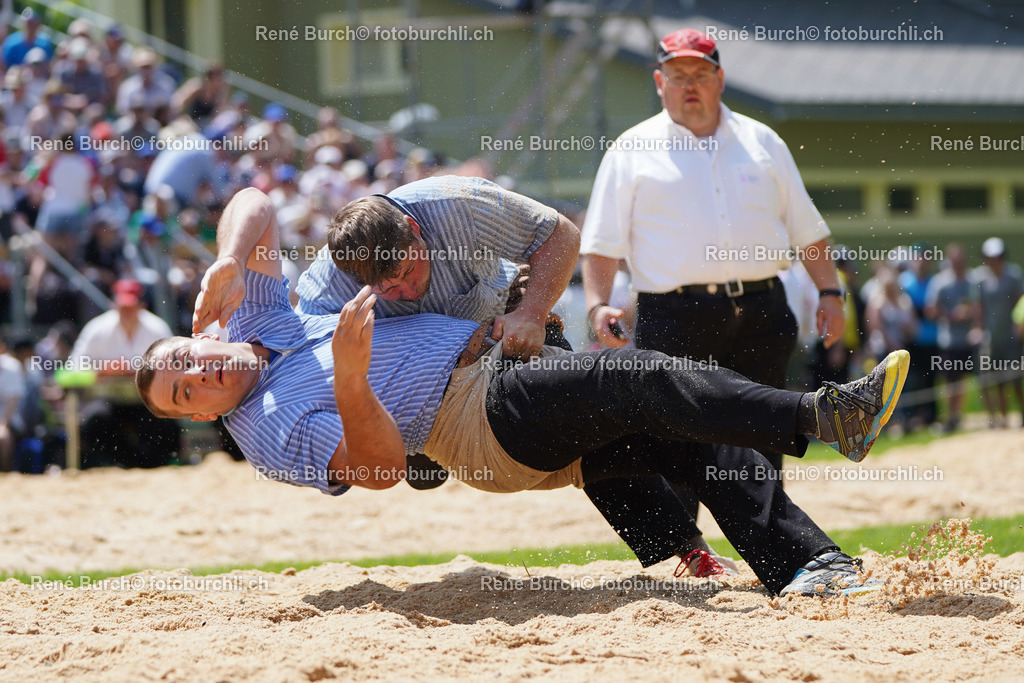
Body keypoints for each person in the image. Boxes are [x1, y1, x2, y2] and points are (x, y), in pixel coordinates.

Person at [137, 190, 911, 597]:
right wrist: (347, 378)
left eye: (184, 363)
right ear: (200, 418)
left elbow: (253, 200)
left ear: (199, 333)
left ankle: (809, 566)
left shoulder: (257, 307)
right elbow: (377, 470)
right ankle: (824, 413)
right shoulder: (265, 429)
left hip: (493, 376)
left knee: (681, 424)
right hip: (466, 416)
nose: (197, 379)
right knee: (637, 373)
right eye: (184, 396)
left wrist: (232, 257)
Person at [291, 175, 734, 573]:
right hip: (426, 384)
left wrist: (533, 310)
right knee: (424, 476)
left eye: (409, 272)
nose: (406, 291)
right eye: (389, 289)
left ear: (415, 230)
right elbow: (298, 339)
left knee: (598, 419)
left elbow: (561, 233)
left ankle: (688, 550)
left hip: (506, 330)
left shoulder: (457, 202)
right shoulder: (336, 277)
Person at [579, 28, 847, 549]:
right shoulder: (631, 149)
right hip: (673, 315)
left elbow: (807, 230)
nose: (690, 86)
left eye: (700, 75)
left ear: (720, 78)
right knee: (676, 433)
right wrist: (596, 304)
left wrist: (831, 294)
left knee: (766, 431)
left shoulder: (763, 141)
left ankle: (775, 553)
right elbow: (601, 243)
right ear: (659, 82)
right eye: (678, 77)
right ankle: (685, 553)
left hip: (763, 309)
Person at [68, 279, 180, 467]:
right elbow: (71, 371)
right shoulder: (97, 330)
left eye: (131, 307)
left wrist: (141, 373)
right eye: (123, 307)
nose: (126, 313)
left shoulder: (157, 328)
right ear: (114, 306)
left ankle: (155, 464)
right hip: (107, 401)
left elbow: (175, 370)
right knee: (96, 422)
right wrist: (102, 372)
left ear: (141, 306)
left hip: (147, 401)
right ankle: (110, 465)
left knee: (163, 425)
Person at [926, 244, 981, 432]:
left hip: (968, 340)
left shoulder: (973, 280)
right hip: (948, 340)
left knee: (965, 380)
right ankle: (950, 416)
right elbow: (931, 310)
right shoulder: (940, 282)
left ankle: (958, 416)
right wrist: (951, 315)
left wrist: (972, 319)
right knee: (950, 381)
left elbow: (979, 307)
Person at [974, 237, 1024, 427]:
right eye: (990, 257)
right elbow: (979, 307)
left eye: (997, 257)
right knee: (991, 379)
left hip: (1011, 337)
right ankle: (997, 418)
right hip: (990, 337)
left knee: (1015, 379)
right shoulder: (980, 279)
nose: (994, 261)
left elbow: (1020, 303)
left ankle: (1021, 413)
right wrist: (978, 329)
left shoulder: (1013, 276)